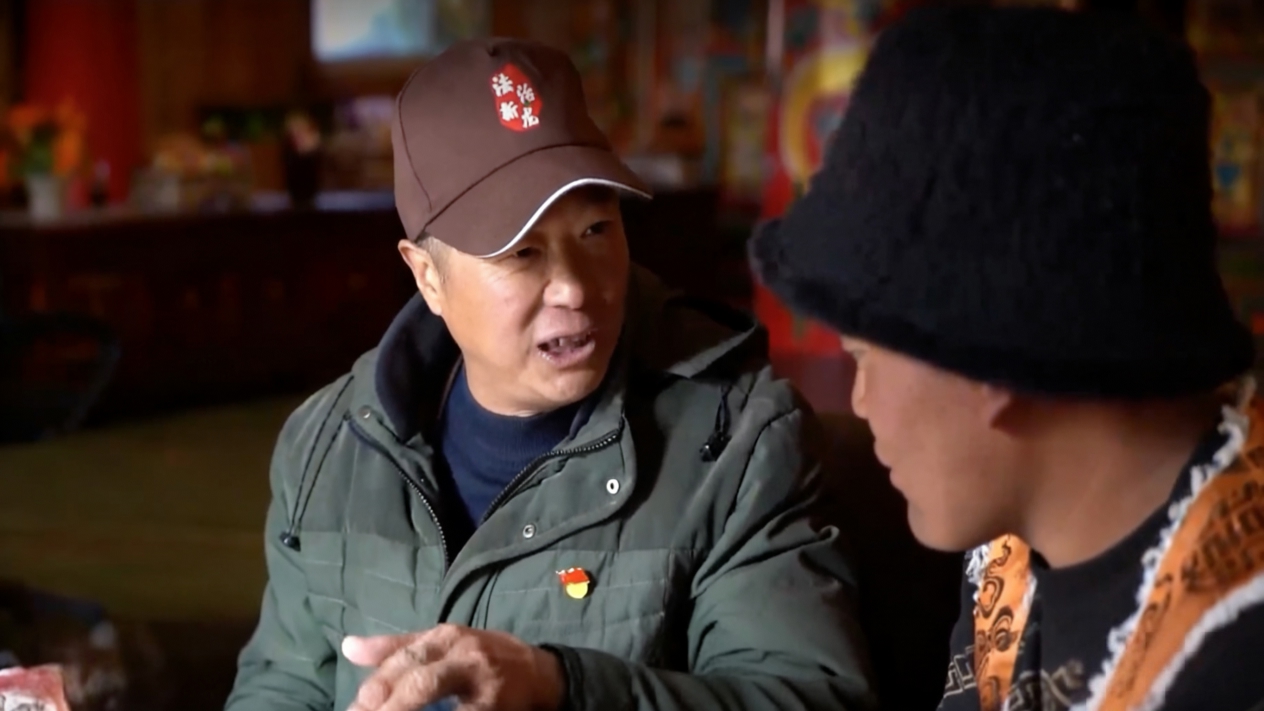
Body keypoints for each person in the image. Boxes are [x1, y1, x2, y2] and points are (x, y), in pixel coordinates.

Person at [225, 38, 874, 711]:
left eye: (596, 230)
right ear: (427, 275)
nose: (574, 287)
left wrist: (565, 688)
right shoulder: (328, 449)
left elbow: (811, 698)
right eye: (522, 251)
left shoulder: (737, 445)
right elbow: (282, 686)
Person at [750, 6, 1264, 711]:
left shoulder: (1236, 657)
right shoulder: (1012, 540)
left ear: (982, 356)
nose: (860, 403)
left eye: (863, 355)